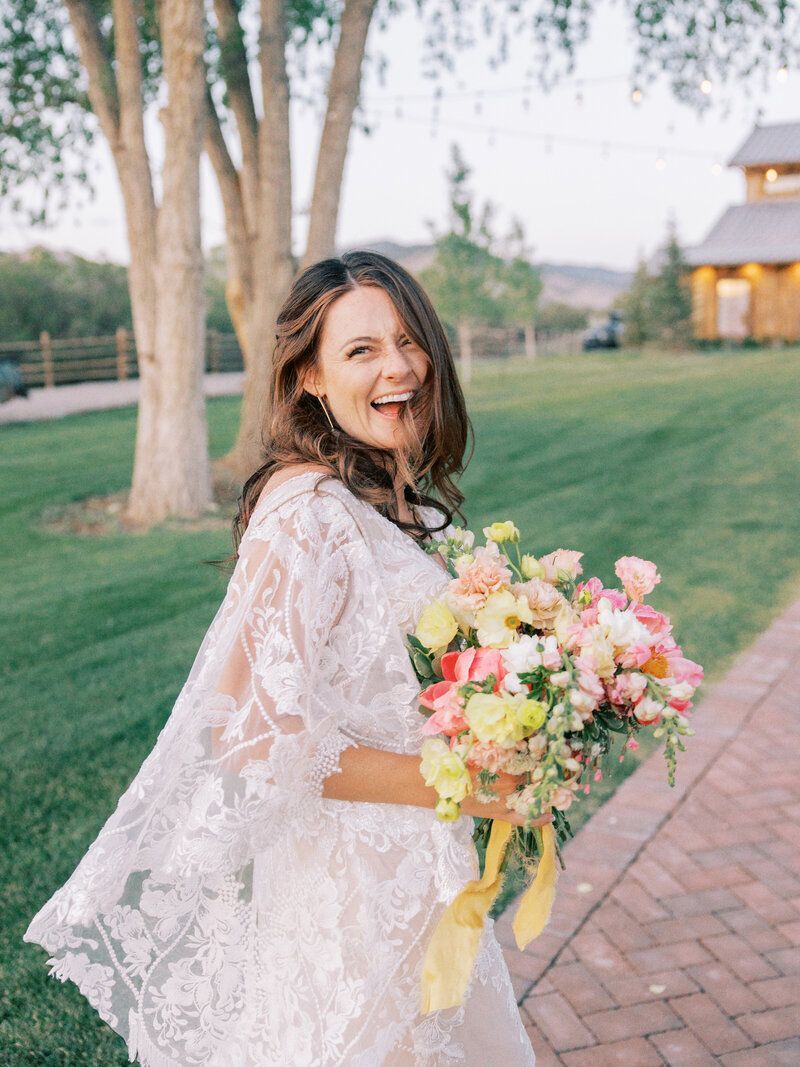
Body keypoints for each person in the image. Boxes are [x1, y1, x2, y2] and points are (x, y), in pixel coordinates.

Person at [23, 250, 548, 1065]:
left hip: (410, 874)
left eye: (410, 342)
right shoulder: (307, 513)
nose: (399, 366)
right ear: (307, 376)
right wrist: (474, 787)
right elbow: (259, 737)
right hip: (354, 896)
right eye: (361, 350)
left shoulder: (376, 495)